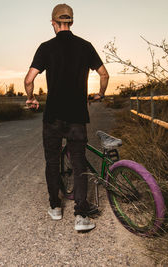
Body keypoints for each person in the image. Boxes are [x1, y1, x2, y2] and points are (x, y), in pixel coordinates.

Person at [24, 3, 109, 231]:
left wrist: (31, 98)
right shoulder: (85, 46)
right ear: (71, 22)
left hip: (52, 116)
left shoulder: (45, 47)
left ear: (54, 23)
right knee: (79, 162)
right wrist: (100, 94)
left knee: (52, 161)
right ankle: (81, 216)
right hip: (77, 115)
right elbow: (104, 74)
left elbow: (29, 80)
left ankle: (55, 207)